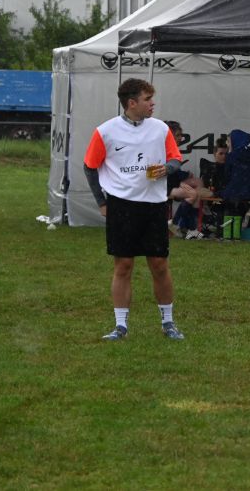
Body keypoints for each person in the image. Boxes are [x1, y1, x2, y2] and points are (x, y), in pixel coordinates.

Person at [82, 78, 185, 341]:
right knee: (123, 266)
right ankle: (120, 327)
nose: (153, 104)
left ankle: (168, 323)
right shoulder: (105, 131)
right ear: (131, 103)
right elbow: (89, 166)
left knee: (159, 264)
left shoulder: (160, 129)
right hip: (121, 205)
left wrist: (167, 169)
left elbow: (175, 158)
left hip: (154, 205)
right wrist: (102, 202)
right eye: (147, 99)